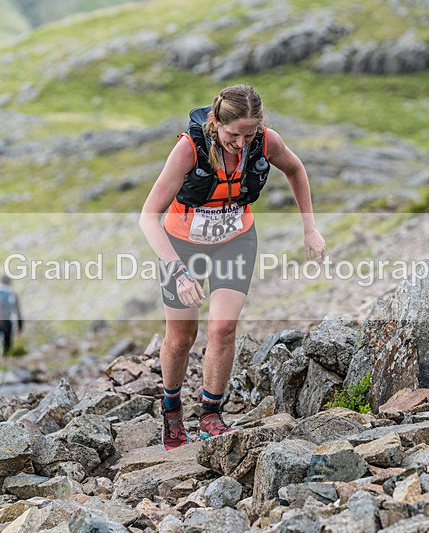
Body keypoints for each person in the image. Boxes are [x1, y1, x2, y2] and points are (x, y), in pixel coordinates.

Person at [139, 84, 326, 450]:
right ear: (215, 123)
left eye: (249, 135)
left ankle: (211, 414)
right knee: (181, 338)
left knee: (223, 328)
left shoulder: (265, 141)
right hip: (181, 244)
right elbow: (148, 217)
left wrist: (310, 227)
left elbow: (296, 170)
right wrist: (177, 270)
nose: (240, 143)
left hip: (235, 240)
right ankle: (172, 408)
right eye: (232, 135)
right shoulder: (188, 149)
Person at [0, 274, 23, 356]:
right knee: (7, 343)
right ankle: (6, 358)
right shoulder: (12, 294)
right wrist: (20, 326)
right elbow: (17, 311)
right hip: (7, 321)